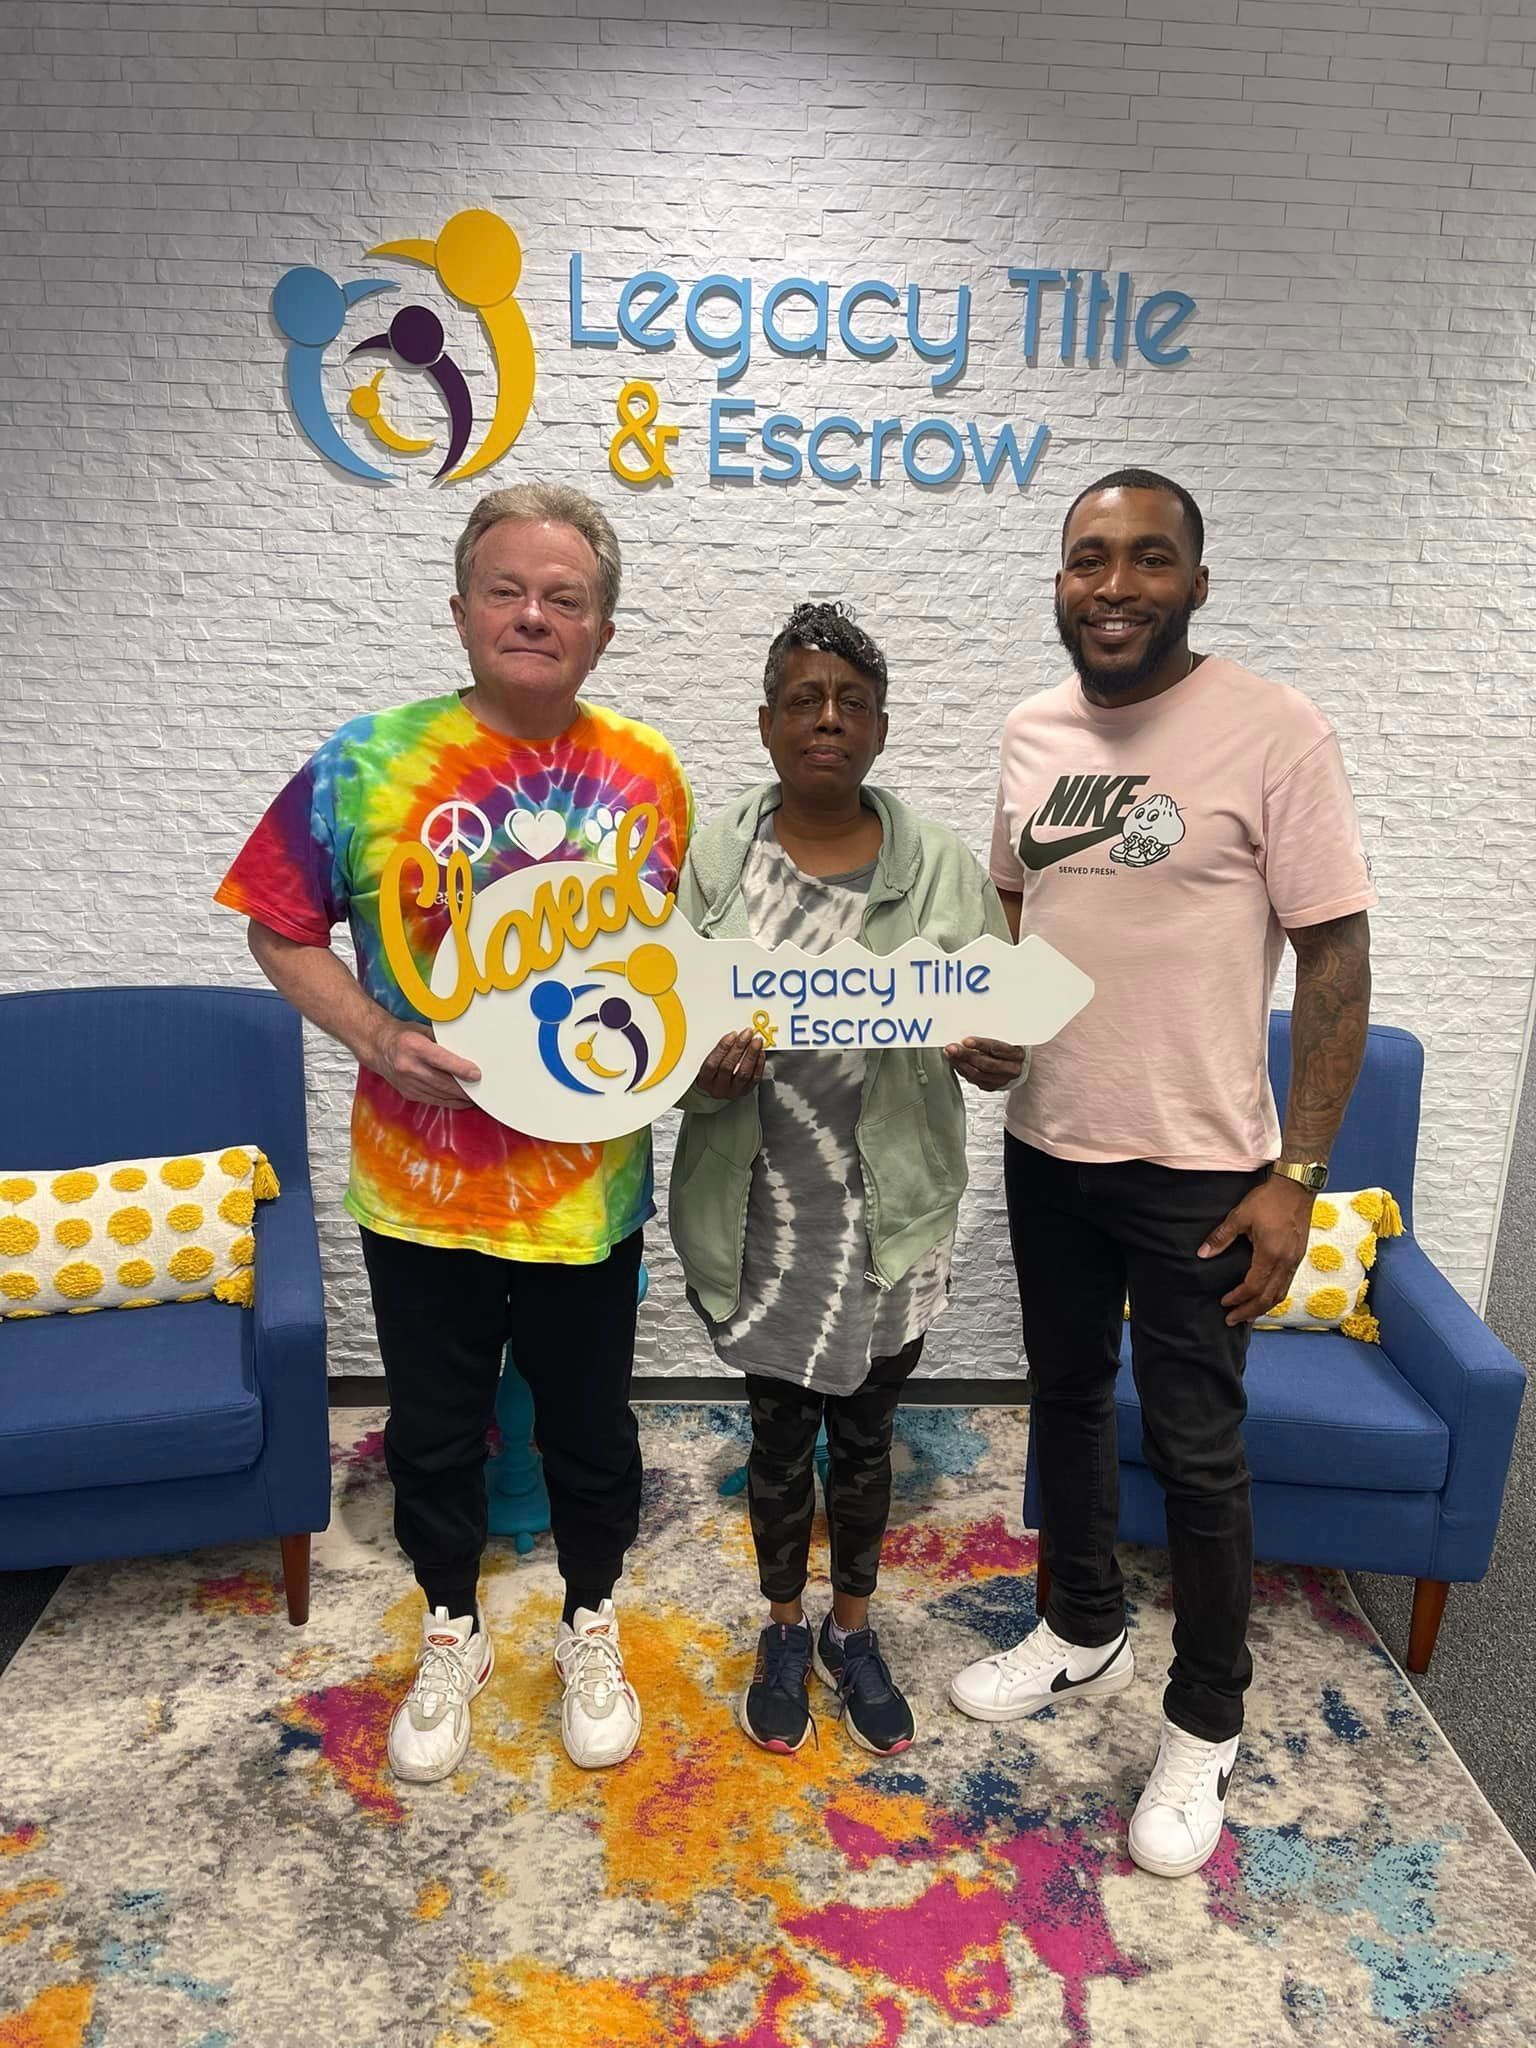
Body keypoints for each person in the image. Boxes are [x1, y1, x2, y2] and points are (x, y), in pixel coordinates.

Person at [215, 484, 691, 1782]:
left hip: (589, 1191)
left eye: (565, 597)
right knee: (431, 1436)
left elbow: (678, 971)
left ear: (598, 627)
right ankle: (455, 1630)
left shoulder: (647, 773)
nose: (533, 615)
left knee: (593, 1434)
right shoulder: (368, 760)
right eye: (507, 589)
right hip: (419, 1191)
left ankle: (590, 1620)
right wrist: (375, 1036)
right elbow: (275, 923)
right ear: (462, 606)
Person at [949, 468, 1375, 1877]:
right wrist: (990, 1021)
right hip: (1051, 1144)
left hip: (1204, 1166)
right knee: (1064, 1400)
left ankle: (1207, 1719)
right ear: (1059, 581)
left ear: (1196, 580)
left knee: (1197, 1451)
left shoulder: (1274, 731)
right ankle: (1081, 1626)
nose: (1113, 585)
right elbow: (1015, 900)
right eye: (1087, 559)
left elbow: (1333, 957)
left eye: (1146, 559)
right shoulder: (1030, 732)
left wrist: (1298, 1176)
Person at [669, 601, 1025, 1757]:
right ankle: (782, 1625)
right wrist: (702, 1073)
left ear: (879, 727)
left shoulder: (938, 869)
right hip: (765, 1209)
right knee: (778, 1439)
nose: (827, 718)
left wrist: (995, 1050)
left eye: (851, 701)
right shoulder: (712, 857)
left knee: (869, 1439)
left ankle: (853, 1629)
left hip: (890, 1212)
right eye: (803, 699)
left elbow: (1000, 1026)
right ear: (767, 722)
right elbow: (649, 1037)